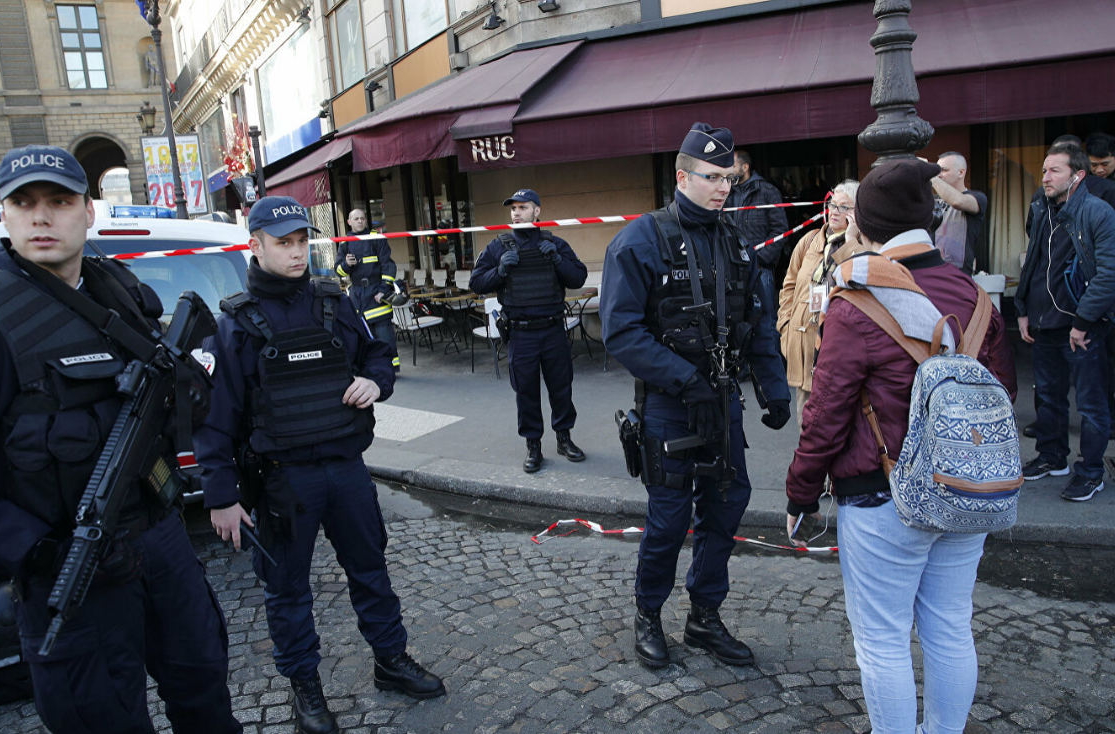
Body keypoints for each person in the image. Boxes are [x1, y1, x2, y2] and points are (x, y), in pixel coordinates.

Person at [0, 145, 239, 733]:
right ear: (3, 214)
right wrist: (34, 550)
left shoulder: (122, 290)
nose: (42, 217)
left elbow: (176, 383)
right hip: (68, 560)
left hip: (160, 539)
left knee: (205, 689)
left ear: (87, 212)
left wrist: (186, 389)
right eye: (25, 203)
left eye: (59, 202)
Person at [785, 158, 1016, 734]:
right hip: (964, 485)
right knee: (950, 626)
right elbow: (1004, 392)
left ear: (863, 226)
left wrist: (801, 494)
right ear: (931, 221)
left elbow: (827, 411)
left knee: (883, 640)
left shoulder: (858, 298)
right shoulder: (973, 292)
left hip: (881, 493)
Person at [197, 196, 444, 734]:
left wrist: (376, 381)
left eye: (300, 241)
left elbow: (378, 352)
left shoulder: (333, 301)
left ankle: (390, 661)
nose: (294, 252)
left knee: (370, 570)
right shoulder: (234, 324)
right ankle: (306, 688)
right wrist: (220, 495)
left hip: (346, 467)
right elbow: (215, 419)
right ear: (255, 245)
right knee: (287, 589)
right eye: (281, 243)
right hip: (284, 480)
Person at [601, 123, 790, 670]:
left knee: (726, 508)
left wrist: (774, 390)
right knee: (668, 520)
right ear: (683, 176)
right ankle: (648, 616)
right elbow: (620, 331)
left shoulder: (734, 240)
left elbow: (758, 322)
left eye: (728, 177)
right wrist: (684, 380)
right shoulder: (641, 239)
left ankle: (704, 616)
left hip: (724, 401)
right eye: (711, 177)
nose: (722, 187)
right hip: (670, 405)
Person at [1015, 143, 1115, 501]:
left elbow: (1108, 274)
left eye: (1054, 171)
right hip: (1043, 324)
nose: (1045, 177)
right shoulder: (1041, 209)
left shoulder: (1098, 212)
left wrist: (1084, 320)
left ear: (1078, 175)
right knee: (1049, 399)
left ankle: (1090, 472)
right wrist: (1022, 308)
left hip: (1083, 328)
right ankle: (1052, 457)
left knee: (1090, 404)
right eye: (1044, 170)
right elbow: (1034, 265)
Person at [470, 189, 588, 473]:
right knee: (526, 392)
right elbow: (477, 283)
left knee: (561, 388)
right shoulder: (499, 247)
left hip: (552, 330)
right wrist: (499, 271)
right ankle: (533, 445)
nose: (516, 213)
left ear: (537, 211)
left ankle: (564, 438)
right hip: (520, 333)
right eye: (513, 208)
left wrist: (559, 262)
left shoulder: (555, 243)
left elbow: (578, 277)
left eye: (523, 207)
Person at [778, 179, 862, 424]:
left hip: (835, 348)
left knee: (834, 424)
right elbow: (789, 285)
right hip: (802, 344)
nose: (834, 211)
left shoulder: (860, 246)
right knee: (806, 422)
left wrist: (851, 239)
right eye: (832, 204)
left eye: (844, 207)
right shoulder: (810, 240)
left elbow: (858, 280)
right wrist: (784, 327)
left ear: (857, 213)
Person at [336, 208, 400, 372]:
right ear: (349, 222)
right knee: (363, 333)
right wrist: (346, 265)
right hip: (357, 293)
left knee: (384, 334)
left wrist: (384, 289)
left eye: (362, 218)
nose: (360, 221)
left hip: (376, 291)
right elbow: (338, 271)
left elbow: (388, 265)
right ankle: (372, 367)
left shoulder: (376, 238)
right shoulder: (345, 243)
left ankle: (391, 368)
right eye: (356, 219)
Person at [727, 149, 787, 314]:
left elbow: (780, 230)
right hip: (733, 268)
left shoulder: (767, 191)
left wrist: (760, 259)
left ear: (745, 167)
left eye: (732, 165)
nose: (728, 169)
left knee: (765, 317)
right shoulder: (725, 193)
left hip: (761, 269)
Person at [929, 152, 988, 275]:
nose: (939, 175)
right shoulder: (930, 200)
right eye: (937, 170)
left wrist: (931, 176)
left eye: (944, 170)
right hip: (932, 273)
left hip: (958, 276)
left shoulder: (977, 197)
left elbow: (957, 201)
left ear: (961, 172)